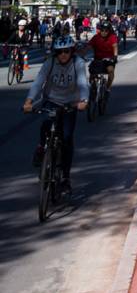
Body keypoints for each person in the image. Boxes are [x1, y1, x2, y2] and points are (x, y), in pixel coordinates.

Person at [23, 36, 89, 193]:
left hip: (70, 104)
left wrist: (84, 100)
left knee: (66, 139)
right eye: (59, 52)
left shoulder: (78, 63)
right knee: (46, 125)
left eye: (67, 51)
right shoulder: (50, 62)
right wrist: (29, 101)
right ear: (55, 53)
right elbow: (38, 81)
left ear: (72, 51)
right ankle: (41, 148)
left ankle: (65, 178)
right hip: (51, 101)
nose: (63, 55)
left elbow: (82, 82)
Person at [86, 21, 118, 92]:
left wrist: (115, 56)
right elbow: (88, 46)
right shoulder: (96, 37)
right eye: (102, 30)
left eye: (106, 30)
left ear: (109, 31)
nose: (104, 32)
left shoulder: (112, 37)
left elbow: (115, 46)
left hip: (109, 59)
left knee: (111, 71)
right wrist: (83, 54)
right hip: (98, 59)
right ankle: (93, 88)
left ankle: (108, 88)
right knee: (92, 74)